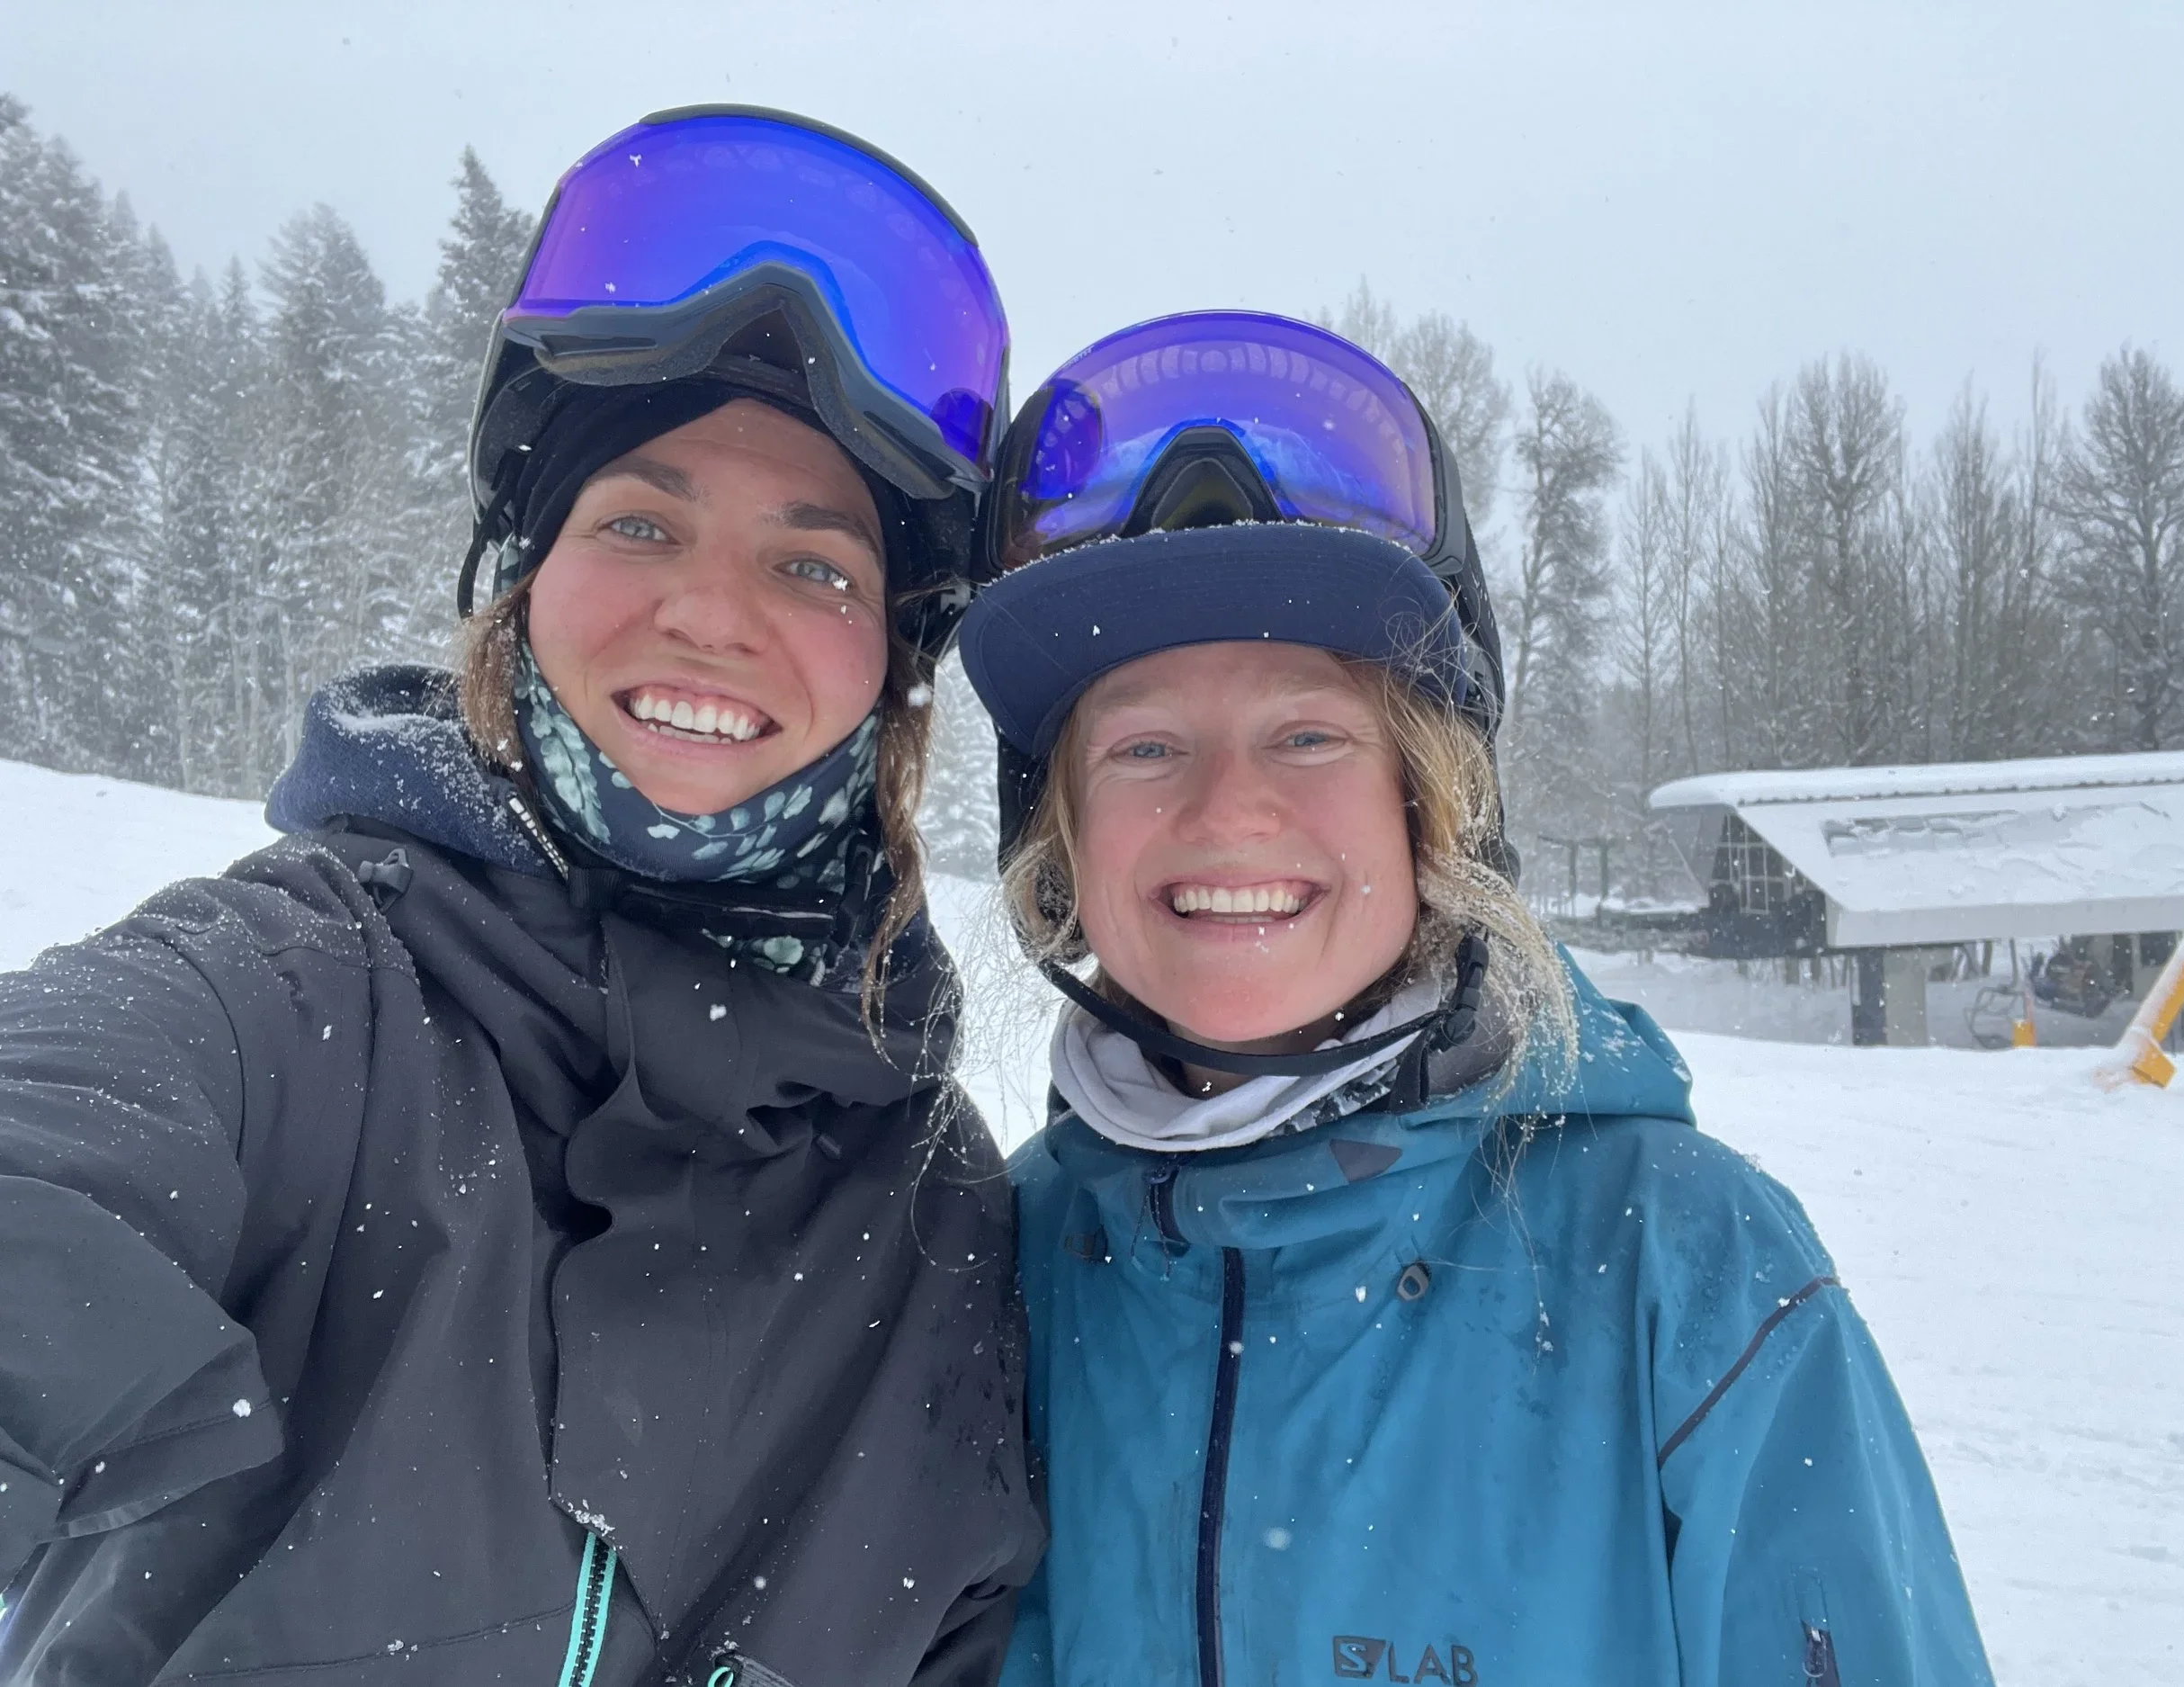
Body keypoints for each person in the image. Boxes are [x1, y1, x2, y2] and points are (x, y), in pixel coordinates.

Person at [0, 108, 1040, 1685]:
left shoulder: (936, 1209)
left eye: (816, 565)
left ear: (894, 674)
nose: (711, 611)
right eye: (640, 522)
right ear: (522, 575)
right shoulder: (299, 989)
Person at [956, 310, 1992, 1685]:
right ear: (1062, 844)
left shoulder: (1684, 1272)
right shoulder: (990, 1273)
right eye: (1145, 742)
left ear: (1431, 807)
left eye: (1309, 730)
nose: (1227, 807)